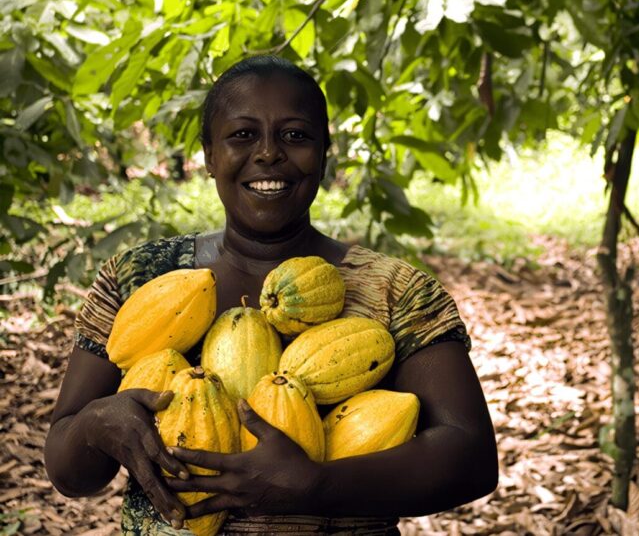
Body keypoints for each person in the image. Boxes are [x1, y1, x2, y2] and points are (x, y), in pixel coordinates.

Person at [44, 55, 499, 535]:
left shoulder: (396, 292)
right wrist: (97, 425)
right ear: (209, 155)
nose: (268, 154)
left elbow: (471, 458)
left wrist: (317, 484)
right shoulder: (138, 278)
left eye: (295, 135)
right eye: (242, 135)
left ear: (325, 152)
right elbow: (68, 471)